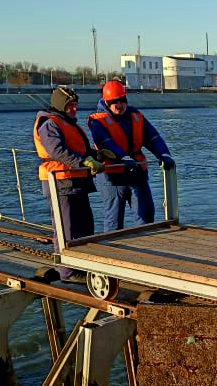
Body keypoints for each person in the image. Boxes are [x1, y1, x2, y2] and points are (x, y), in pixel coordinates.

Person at [33, 85, 105, 281]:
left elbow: (79, 149)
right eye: (70, 106)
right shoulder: (49, 124)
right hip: (60, 183)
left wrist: (95, 155)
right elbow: (57, 151)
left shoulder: (68, 123)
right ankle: (68, 272)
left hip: (75, 181)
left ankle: (83, 264)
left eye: (75, 105)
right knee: (66, 227)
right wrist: (84, 161)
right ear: (60, 106)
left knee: (85, 225)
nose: (74, 109)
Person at [87, 80, 175, 232]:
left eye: (121, 101)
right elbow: (105, 142)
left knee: (146, 216)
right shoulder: (98, 121)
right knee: (113, 220)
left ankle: (148, 247)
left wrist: (164, 154)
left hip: (137, 172)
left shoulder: (136, 116)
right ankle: (114, 250)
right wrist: (122, 158)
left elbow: (152, 137)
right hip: (112, 176)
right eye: (114, 102)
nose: (119, 105)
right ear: (106, 103)